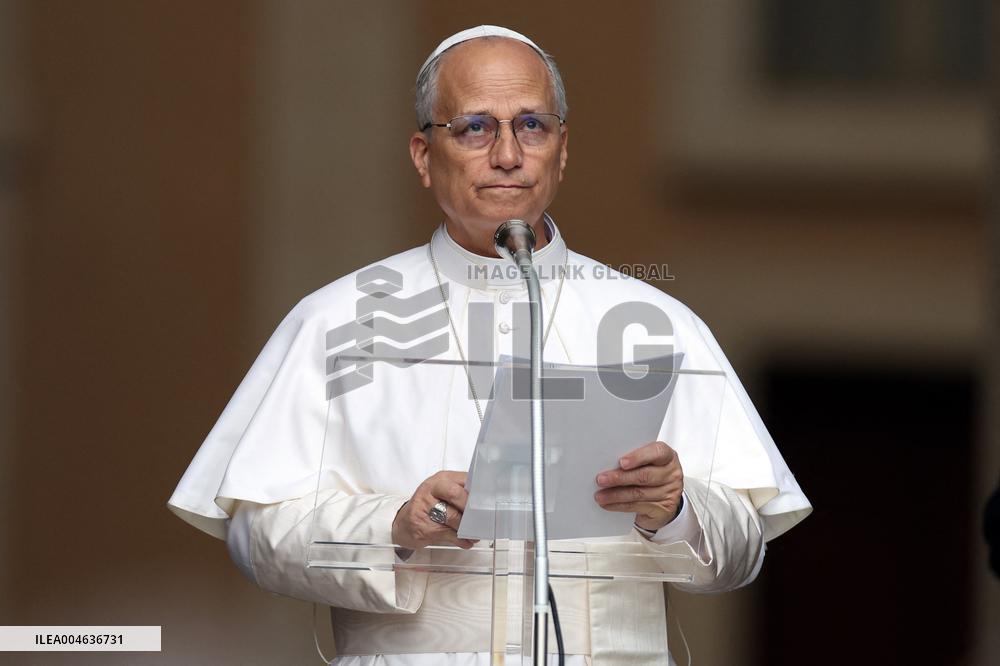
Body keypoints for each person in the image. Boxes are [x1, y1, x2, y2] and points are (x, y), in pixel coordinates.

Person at [168, 25, 811, 666]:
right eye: (475, 127)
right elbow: (257, 534)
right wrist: (394, 526)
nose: (508, 154)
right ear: (423, 156)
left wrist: (674, 507)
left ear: (562, 152)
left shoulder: (657, 321)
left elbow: (743, 549)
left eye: (532, 126)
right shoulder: (340, 321)